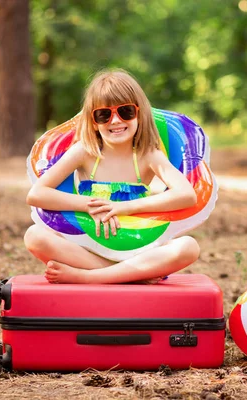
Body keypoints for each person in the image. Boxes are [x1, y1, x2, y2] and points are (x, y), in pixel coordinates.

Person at [24, 68, 200, 284]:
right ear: (93, 121)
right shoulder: (85, 152)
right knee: (34, 236)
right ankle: (129, 276)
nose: (115, 121)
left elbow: (186, 194)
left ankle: (90, 277)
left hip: (138, 247)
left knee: (188, 247)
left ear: (139, 113)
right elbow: (37, 194)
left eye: (125, 111)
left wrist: (123, 208)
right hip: (88, 245)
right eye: (103, 114)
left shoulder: (147, 155)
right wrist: (89, 205)